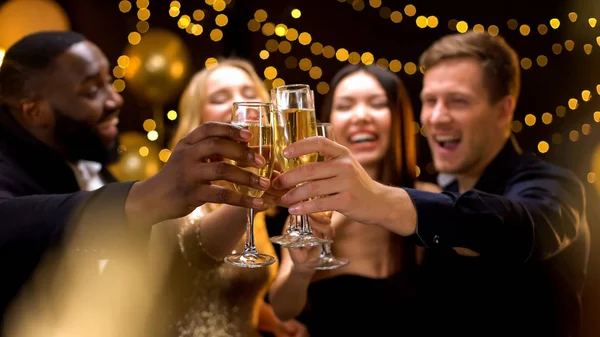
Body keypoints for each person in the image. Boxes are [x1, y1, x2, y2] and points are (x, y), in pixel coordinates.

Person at [271, 31, 590, 336]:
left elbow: (519, 228)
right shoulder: (440, 191)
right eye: (430, 100)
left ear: (504, 110)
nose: (437, 117)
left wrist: (377, 200)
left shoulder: (553, 184)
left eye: (458, 101)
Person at [0, 32, 272, 335]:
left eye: (109, 83)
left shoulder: (92, 166)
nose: (116, 99)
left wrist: (256, 308)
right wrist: (142, 197)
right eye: (92, 91)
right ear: (33, 110)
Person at [268, 64, 439, 336]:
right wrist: (302, 271)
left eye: (377, 104)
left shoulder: (431, 201)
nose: (360, 116)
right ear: (328, 122)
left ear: (398, 117)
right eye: (346, 106)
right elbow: (281, 310)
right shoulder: (312, 207)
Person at [147, 59, 308, 337]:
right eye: (220, 98)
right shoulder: (175, 193)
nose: (240, 105)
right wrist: (259, 195)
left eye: (249, 94)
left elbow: (229, 296)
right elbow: (198, 253)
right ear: (197, 122)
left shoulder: (258, 214)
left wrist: (269, 319)